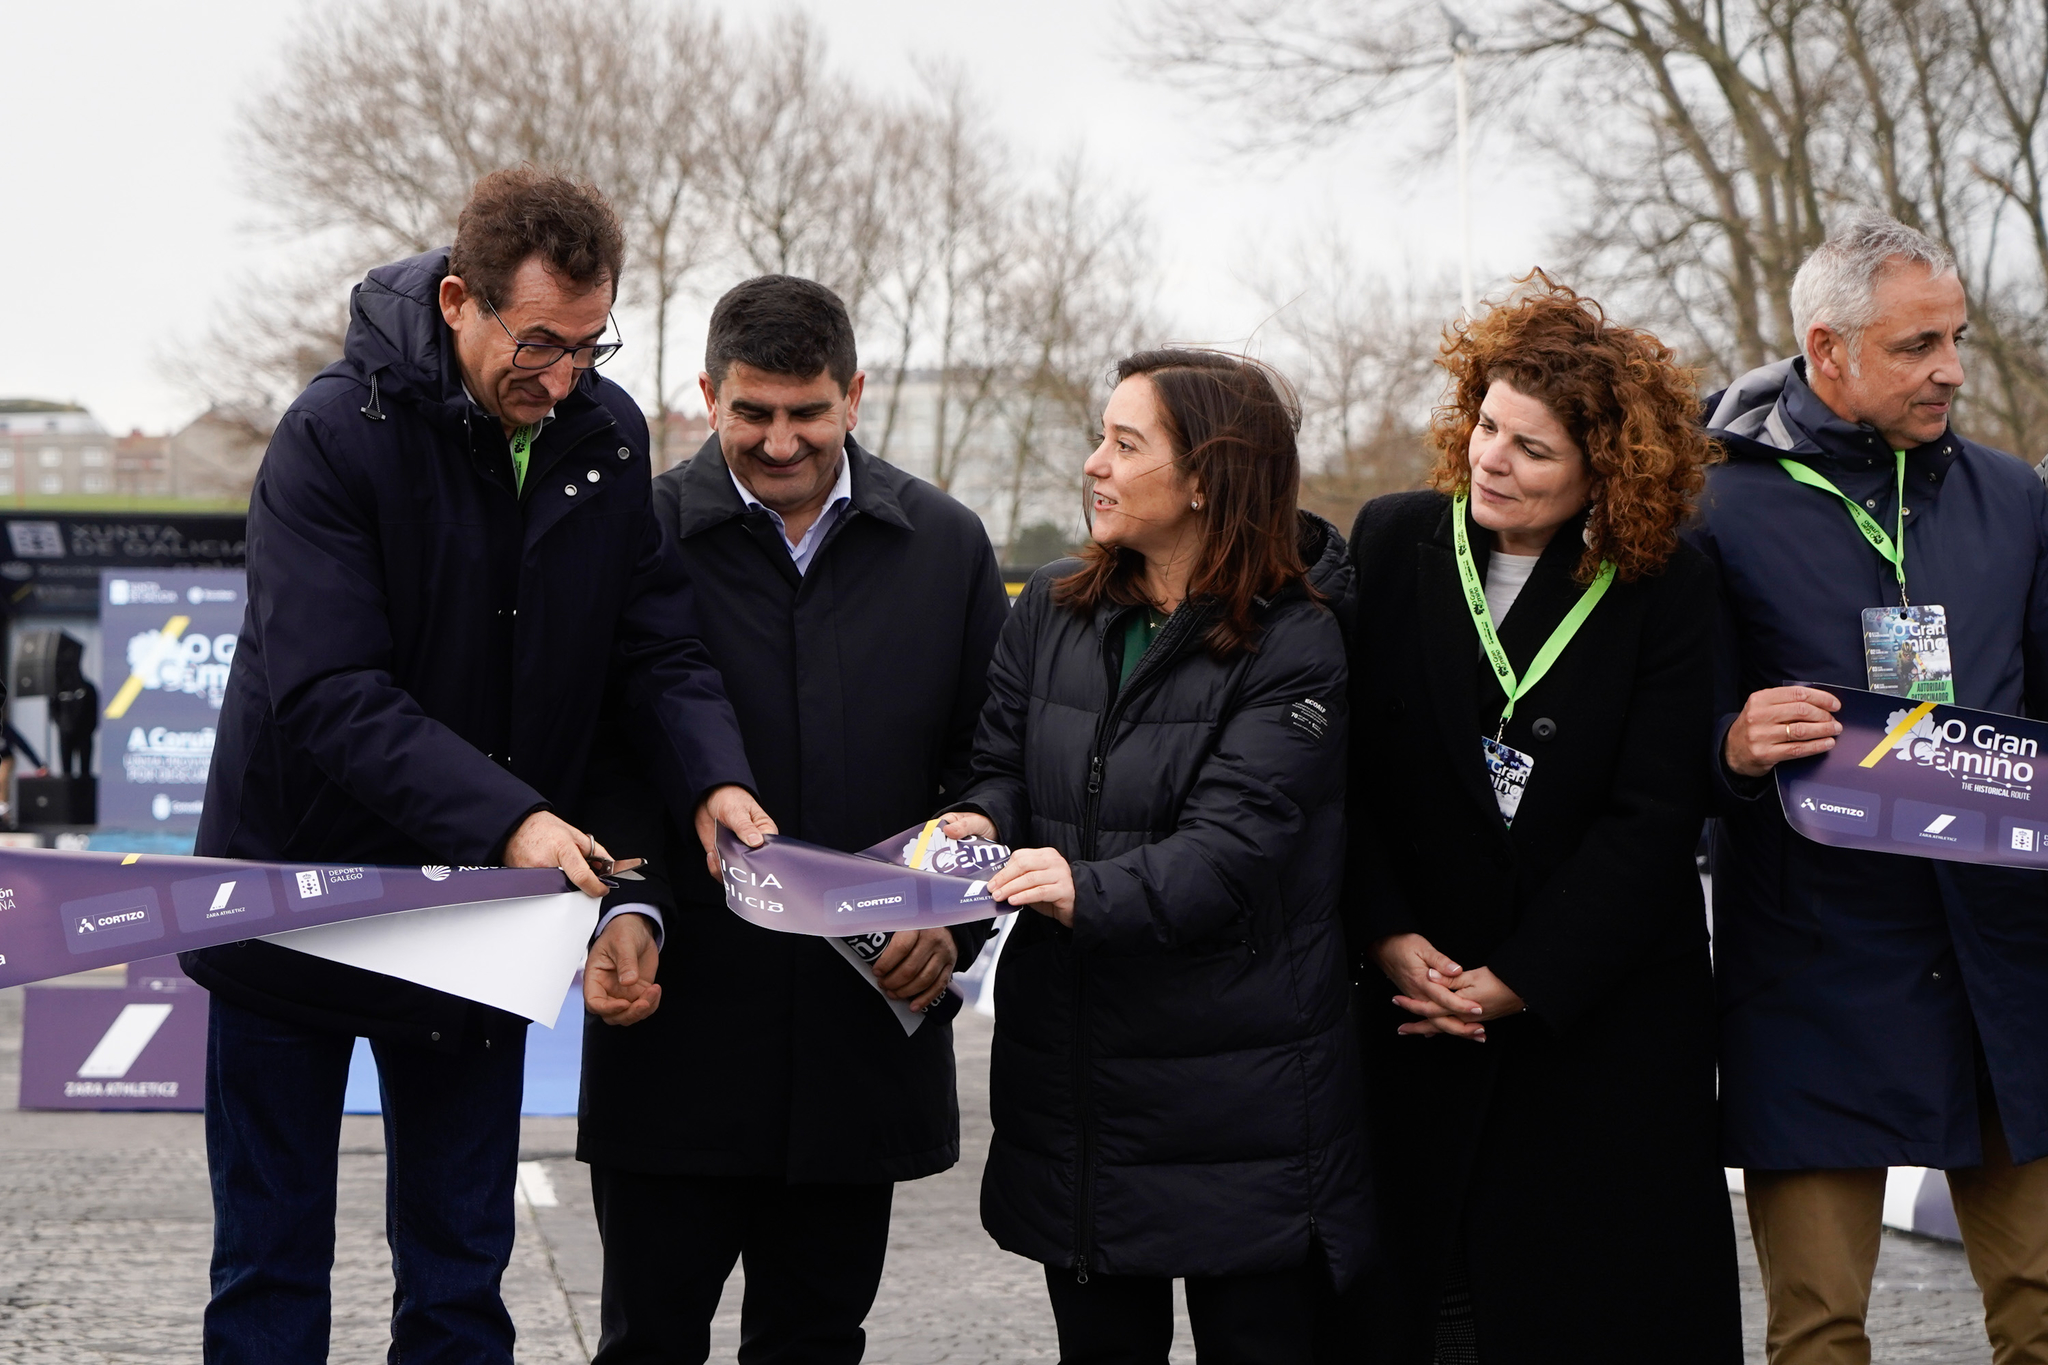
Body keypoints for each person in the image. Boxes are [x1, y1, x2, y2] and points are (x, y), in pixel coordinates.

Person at [184, 168, 770, 1365]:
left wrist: (711, 777)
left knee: (459, 1278)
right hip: (292, 906)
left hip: (474, 923)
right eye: (538, 343)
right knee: (268, 1273)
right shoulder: (328, 438)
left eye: (590, 344)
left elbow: (651, 649)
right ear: (458, 301)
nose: (562, 380)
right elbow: (328, 692)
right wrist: (512, 820)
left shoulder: (604, 434)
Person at [573, 274, 1011, 1365]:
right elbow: (595, 759)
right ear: (706, 396)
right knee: (645, 1343)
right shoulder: (633, 534)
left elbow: (993, 769)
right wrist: (625, 907)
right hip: (676, 1030)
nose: (780, 442)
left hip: (860, 1037)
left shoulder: (948, 546)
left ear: (853, 396)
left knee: (815, 1341)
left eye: (807, 412)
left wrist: (952, 920)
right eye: (752, 412)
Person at [939, 349, 1365, 1364]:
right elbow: (1001, 770)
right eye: (1101, 437)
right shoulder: (1050, 606)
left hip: (1244, 1103)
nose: (1094, 463)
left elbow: (1231, 852)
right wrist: (978, 825)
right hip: (1078, 1088)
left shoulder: (1297, 642)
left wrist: (1079, 889)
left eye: (1125, 444)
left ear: (1207, 479)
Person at [1343, 274, 1739, 1363]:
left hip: (1596, 1025)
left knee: (1589, 1310)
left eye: (1531, 449)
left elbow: (1652, 816)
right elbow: (1349, 777)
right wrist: (1387, 935)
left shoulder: (1665, 581)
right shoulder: (1391, 540)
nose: (1491, 460)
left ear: (1605, 469)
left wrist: (1520, 980)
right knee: (1432, 1308)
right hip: (1417, 1004)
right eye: (1487, 426)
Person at [1695, 210, 2048, 1365]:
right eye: (1914, 345)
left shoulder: (2015, 498)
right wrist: (1729, 746)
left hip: (2000, 975)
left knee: (2041, 1312)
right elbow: (1658, 741)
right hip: (1814, 977)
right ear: (1826, 348)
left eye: (1955, 337)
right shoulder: (1713, 508)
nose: (1950, 369)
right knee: (1817, 1332)